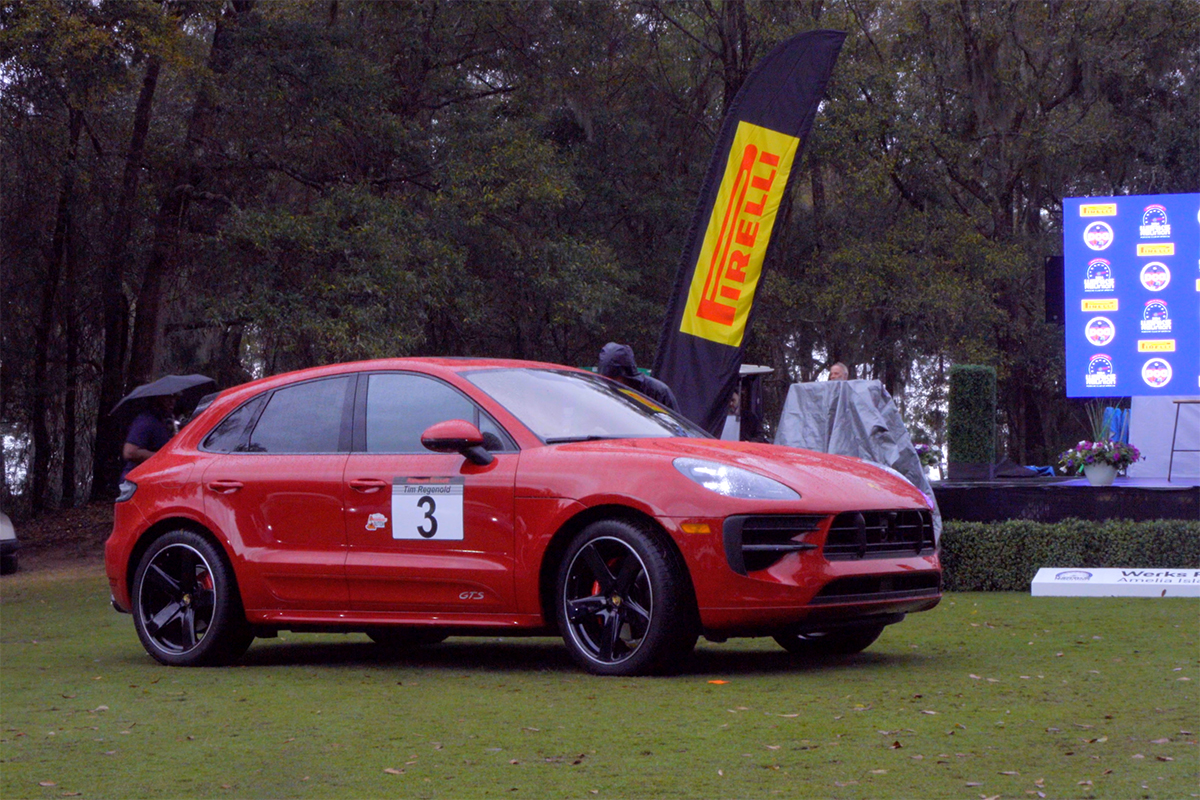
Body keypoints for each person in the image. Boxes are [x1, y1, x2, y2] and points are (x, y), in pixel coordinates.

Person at [597, 342, 679, 411]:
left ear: (626, 375)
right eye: (605, 379)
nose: (609, 384)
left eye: (613, 379)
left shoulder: (658, 393)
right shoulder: (601, 393)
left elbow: (675, 427)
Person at [121, 395, 177, 479]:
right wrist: (163, 458)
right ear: (157, 398)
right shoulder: (146, 421)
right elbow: (130, 452)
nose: (172, 401)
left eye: (174, 397)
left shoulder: (162, 422)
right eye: (168, 397)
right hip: (135, 482)